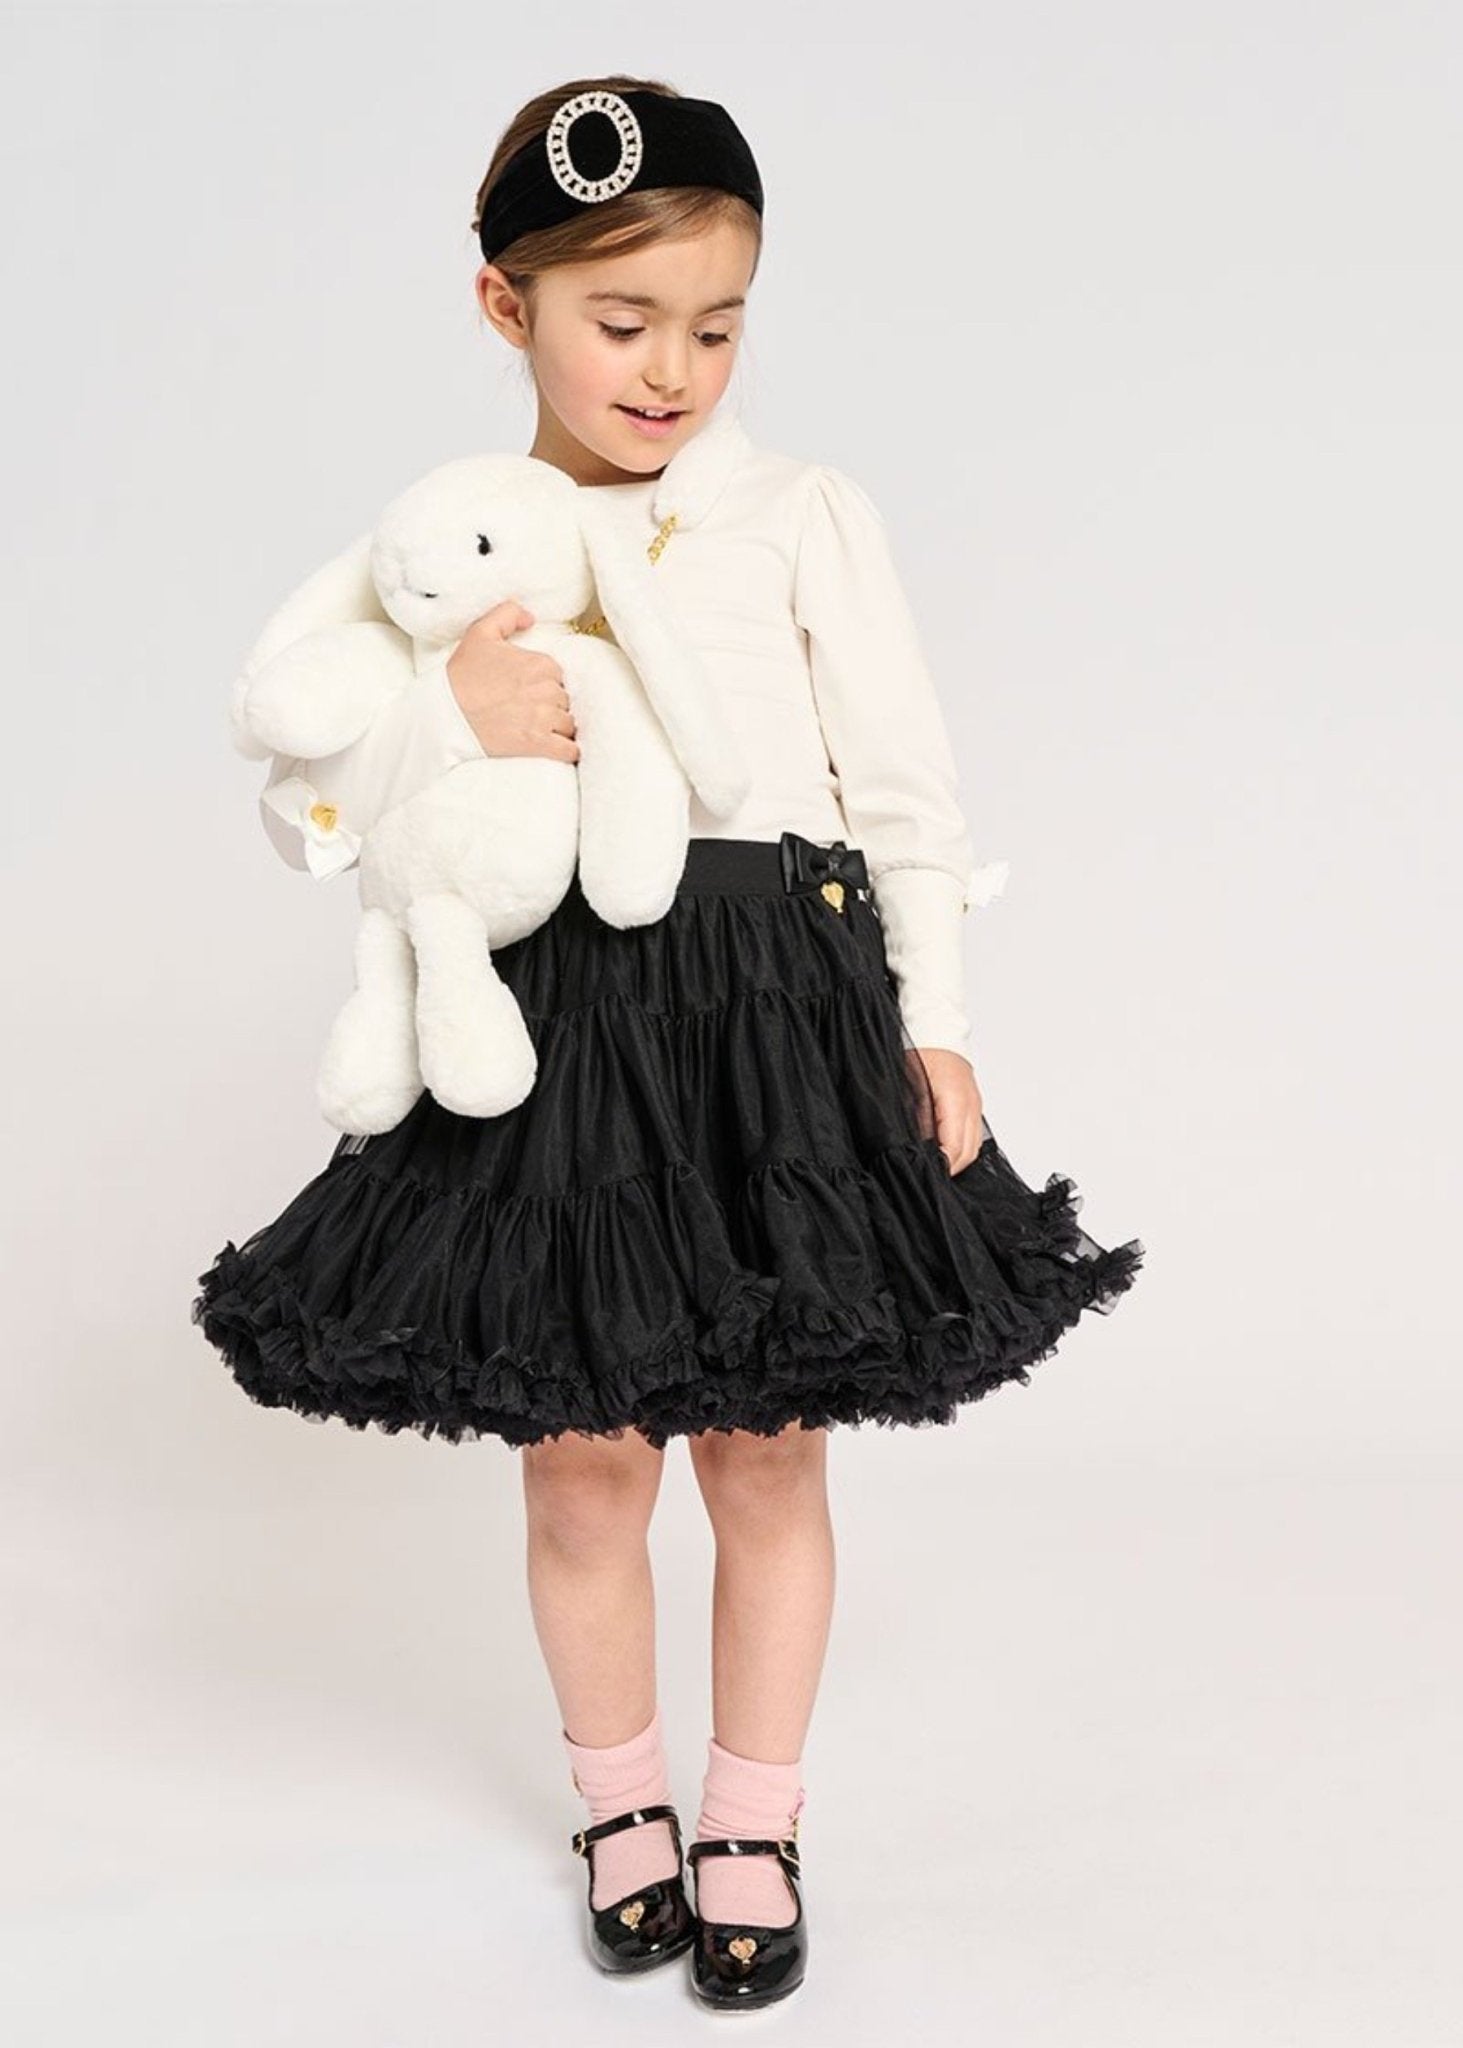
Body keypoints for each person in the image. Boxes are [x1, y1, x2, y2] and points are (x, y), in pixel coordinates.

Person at [192, 74, 1144, 2011]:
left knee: (769, 1447)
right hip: (558, 1027)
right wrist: (445, 718)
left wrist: (938, 1028)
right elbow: (313, 814)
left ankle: (755, 1820)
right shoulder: (453, 551)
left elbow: (906, 798)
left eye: (716, 326)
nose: (672, 369)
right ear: (505, 304)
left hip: (774, 1019)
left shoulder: (802, 516)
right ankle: (619, 1803)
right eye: (623, 321)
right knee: (582, 1459)